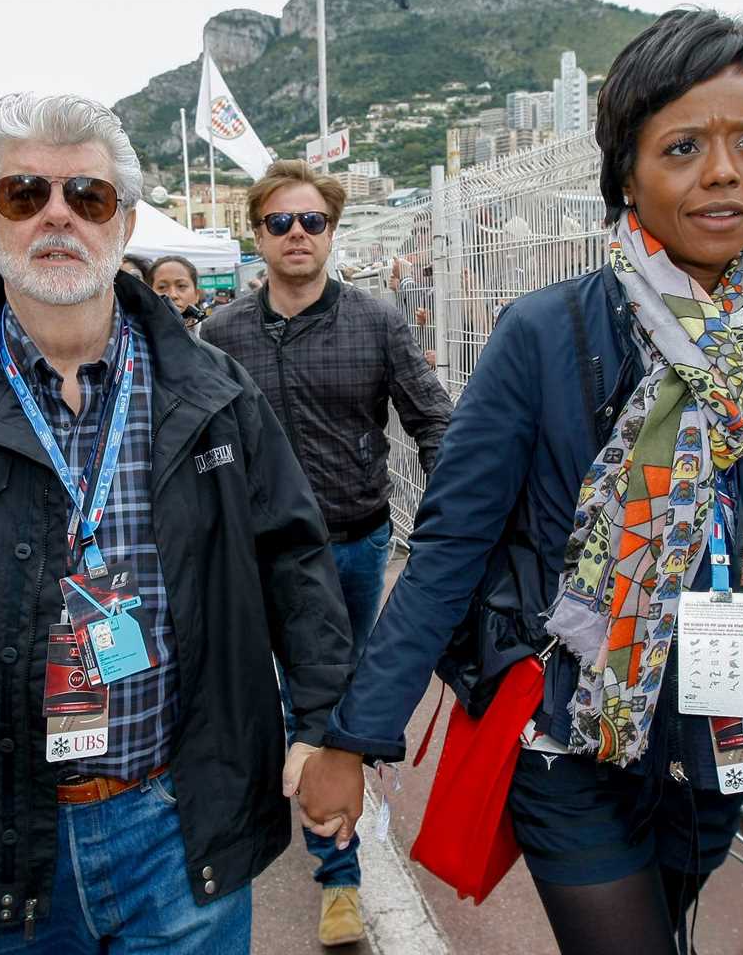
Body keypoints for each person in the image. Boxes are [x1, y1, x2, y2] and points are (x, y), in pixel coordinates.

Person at [299, 11, 743, 954]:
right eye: (684, 146)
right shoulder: (544, 331)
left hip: (732, 719)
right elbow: (449, 547)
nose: (724, 172)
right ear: (627, 172)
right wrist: (356, 737)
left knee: (672, 921)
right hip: (573, 728)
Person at [0, 92, 359, 955]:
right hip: (1, 844)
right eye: (24, 194)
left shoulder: (215, 392)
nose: (56, 216)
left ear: (120, 220)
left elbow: (295, 566)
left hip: (177, 827)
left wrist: (324, 728)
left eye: (86, 196)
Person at [202, 158, 453, 947]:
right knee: (284, 706)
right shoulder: (221, 335)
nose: (298, 234)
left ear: (333, 230)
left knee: (340, 707)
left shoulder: (377, 321)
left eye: (312, 220)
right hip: (257, 559)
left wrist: (451, 526)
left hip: (352, 547)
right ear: (259, 234)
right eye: (281, 222)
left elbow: (435, 422)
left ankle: (336, 873)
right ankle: (328, 851)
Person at [148, 254, 204, 334]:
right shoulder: (138, 338)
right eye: (162, 287)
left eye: (181, 286)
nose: (172, 295)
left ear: (197, 294)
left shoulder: (211, 333)